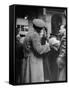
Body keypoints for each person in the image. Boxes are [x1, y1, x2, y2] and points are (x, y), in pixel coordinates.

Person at [22, 19, 50, 83]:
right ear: (39, 28)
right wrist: (47, 45)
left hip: (28, 58)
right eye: (41, 29)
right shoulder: (35, 35)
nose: (41, 31)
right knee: (35, 79)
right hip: (34, 60)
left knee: (29, 78)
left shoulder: (29, 33)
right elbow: (39, 50)